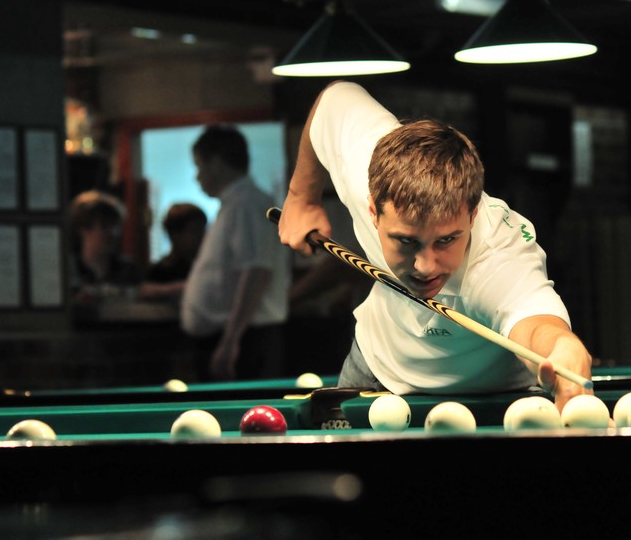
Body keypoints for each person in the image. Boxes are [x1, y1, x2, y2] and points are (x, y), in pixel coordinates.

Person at [277, 81, 594, 412]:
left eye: (446, 240)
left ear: (472, 215)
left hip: (499, 391)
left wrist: (563, 347)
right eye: (406, 241)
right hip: (379, 366)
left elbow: (537, 325)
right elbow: (335, 99)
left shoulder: (499, 256)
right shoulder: (366, 168)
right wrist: (302, 197)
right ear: (373, 211)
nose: (425, 266)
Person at [180, 124, 290, 381]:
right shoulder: (237, 203)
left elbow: (256, 272)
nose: (197, 177)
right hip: (240, 337)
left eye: (199, 166)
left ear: (217, 163)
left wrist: (231, 341)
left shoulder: (247, 203)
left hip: (245, 342)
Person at [69, 189, 142, 300]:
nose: (113, 233)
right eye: (105, 226)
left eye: (116, 226)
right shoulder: (69, 269)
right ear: (84, 228)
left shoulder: (128, 270)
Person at [138, 202, 207, 303]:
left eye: (203, 231)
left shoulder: (204, 267)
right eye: (195, 231)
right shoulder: (159, 272)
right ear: (174, 234)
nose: (202, 237)